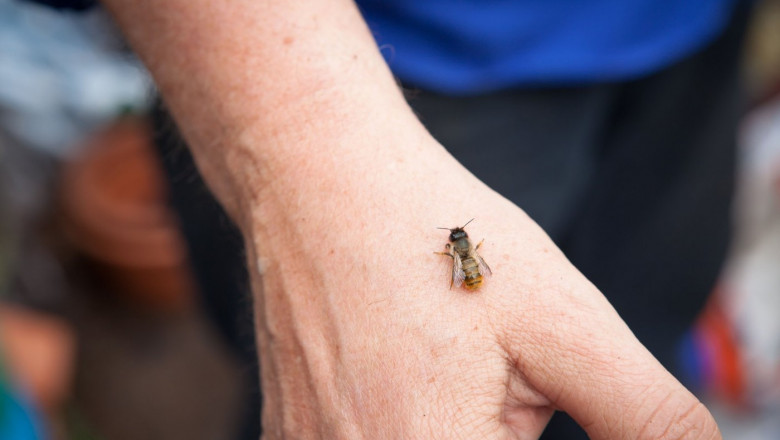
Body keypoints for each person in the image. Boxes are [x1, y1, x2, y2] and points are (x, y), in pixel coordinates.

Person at [39, 0, 731, 438]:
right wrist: (299, 145)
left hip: (695, 32)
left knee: (628, 329)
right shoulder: (461, 245)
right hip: (397, 59)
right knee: (388, 398)